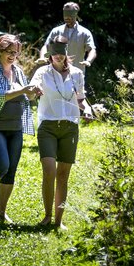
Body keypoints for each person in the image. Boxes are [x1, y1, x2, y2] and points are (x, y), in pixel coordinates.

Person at [0, 34, 41, 222]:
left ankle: (1, 212)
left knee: (11, 170)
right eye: (10, 52)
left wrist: (34, 93)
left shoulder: (18, 72)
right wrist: (23, 90)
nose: (13, 56)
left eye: (16, 53)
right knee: (2, 165)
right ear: (0, 50)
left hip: (16, 127)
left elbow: (27, 97)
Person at [30, 36, 93, 229]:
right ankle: (47, 215)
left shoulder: (76, 74)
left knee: (63, 175)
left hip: (70, 127)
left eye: (61, 52)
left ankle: (59, 220)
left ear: (66, 53)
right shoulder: (42, 72)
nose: (58, 56)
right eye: (54, 53)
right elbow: (32, 90)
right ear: (50, 54)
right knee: (49, 171)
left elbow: (81, 99)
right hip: (48, 125)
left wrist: (87, 109)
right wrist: (35, 89)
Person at [36, 1, 97, 73]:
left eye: (69, 15)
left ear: (75, 14)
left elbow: (92, 49)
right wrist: (42, 57)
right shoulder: (56, 31)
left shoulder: (84, 33)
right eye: (65, 14)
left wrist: (88, 61)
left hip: (76, 74)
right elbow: (46, 46)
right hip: (56, 73)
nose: (67, 17)